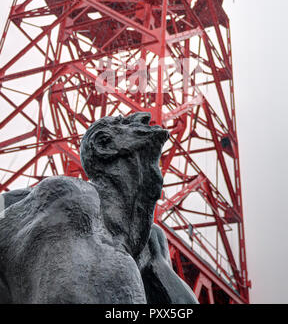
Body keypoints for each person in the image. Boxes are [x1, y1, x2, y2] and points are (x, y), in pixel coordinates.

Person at [0, 112, 198, 304]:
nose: (144, 116)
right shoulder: (68, 198)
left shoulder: (151, 240)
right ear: (103, 144)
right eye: (125, 122)